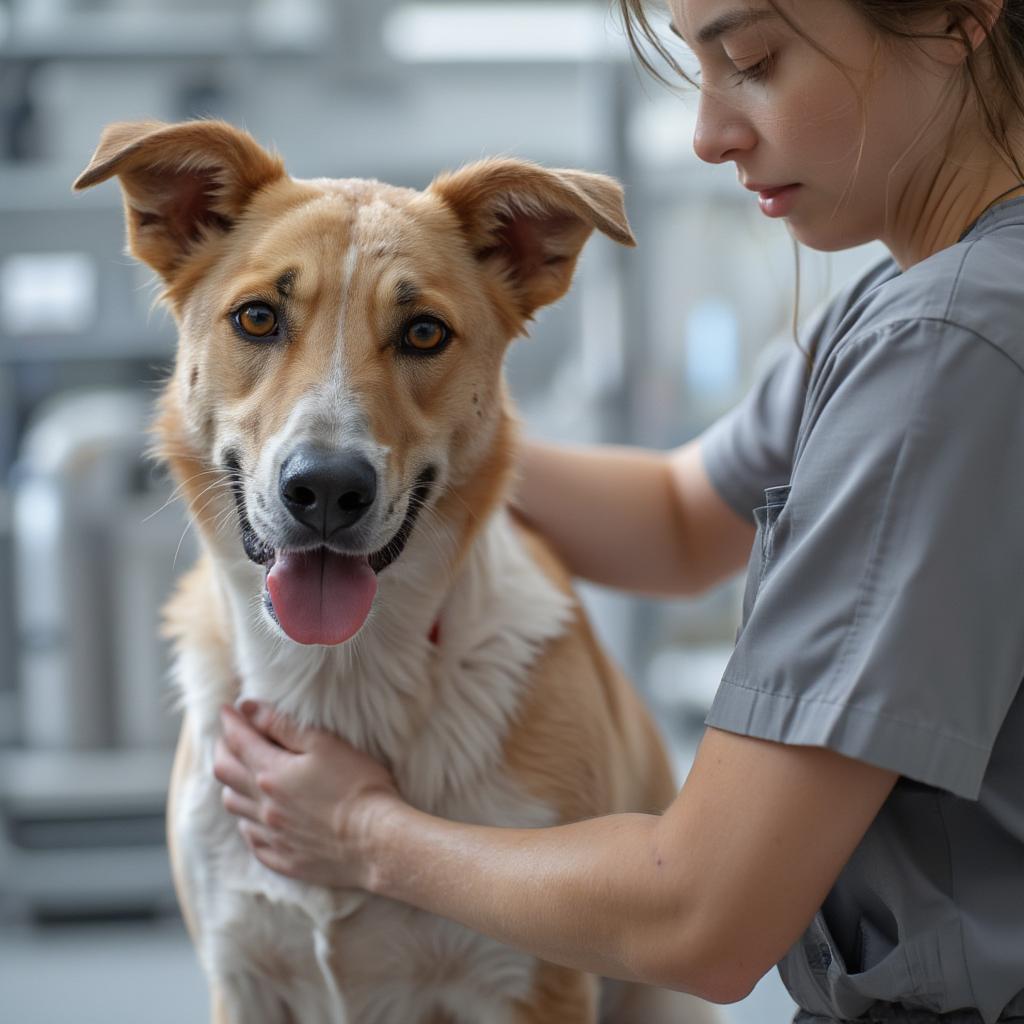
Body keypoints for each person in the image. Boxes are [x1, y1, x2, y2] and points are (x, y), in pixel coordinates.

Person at [212, 1, 1024, 1020]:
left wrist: (364, 832)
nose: (708, 132)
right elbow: (683, 520)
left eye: (753, 62)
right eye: (697, 70)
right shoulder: (903, 305)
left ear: (956, 17)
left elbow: (702, 914)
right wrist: (382, 443)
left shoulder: (949, 348)